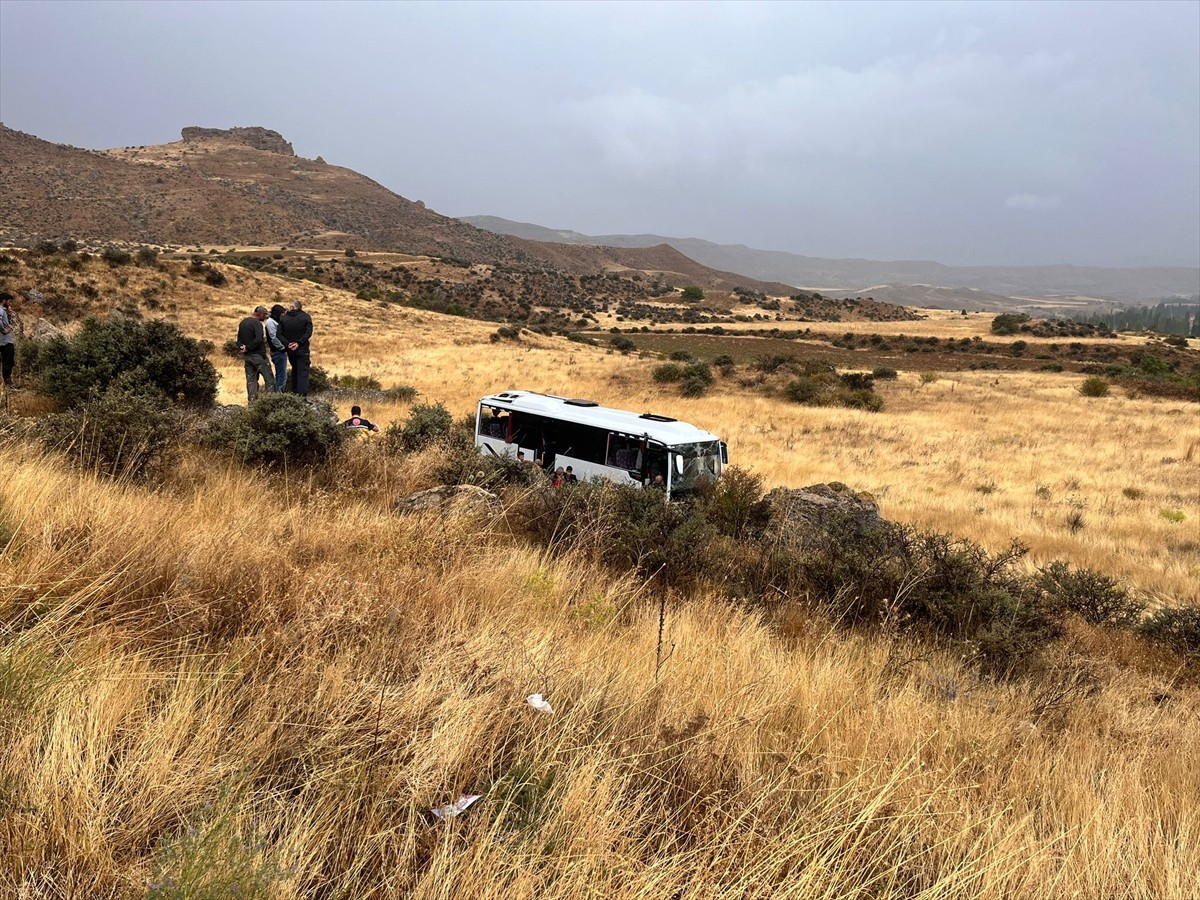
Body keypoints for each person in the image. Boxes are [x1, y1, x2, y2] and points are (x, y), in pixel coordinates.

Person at [237, 305, 276, 402]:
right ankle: (270, 402)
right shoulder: (257, 324)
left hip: (247, 357)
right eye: (265, 315)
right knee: (269, 379)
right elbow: (258, 339)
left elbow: (238, 340)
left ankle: (252, 403)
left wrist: (243, 347)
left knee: (251, 381)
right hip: (258, 356)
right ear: (261, 314)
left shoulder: (243, 322)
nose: (266, 317)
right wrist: (249, 347)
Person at [280, 299, 314, 396]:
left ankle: (294, 393)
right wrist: (298, 343)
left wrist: (288, 344)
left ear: (292, 307)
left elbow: (279, 334)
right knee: (303, 372)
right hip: (302, 349)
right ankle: (302, 396)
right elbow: (308, 333)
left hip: (290, 350)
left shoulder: (284, 318)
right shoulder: (306, 317)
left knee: (294, 370)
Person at [266, 303, 288, 392]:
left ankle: (278, 394)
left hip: (279, 350)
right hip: (278, 351)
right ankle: (279, 395)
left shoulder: (274, 321)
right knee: (282, 375)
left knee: (281, 374)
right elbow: (273, 337)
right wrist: (282, 347)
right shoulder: (270, 322)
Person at [0, 292, 15, 390]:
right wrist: (4, 330)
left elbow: (6, 321)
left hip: (4, 341)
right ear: (4, 301)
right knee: (8, 361)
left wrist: (9, 315)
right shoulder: (0, 310)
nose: (10, 304)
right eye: (9, 301)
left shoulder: (4, 311)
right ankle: (7, 382)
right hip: (4, 341)